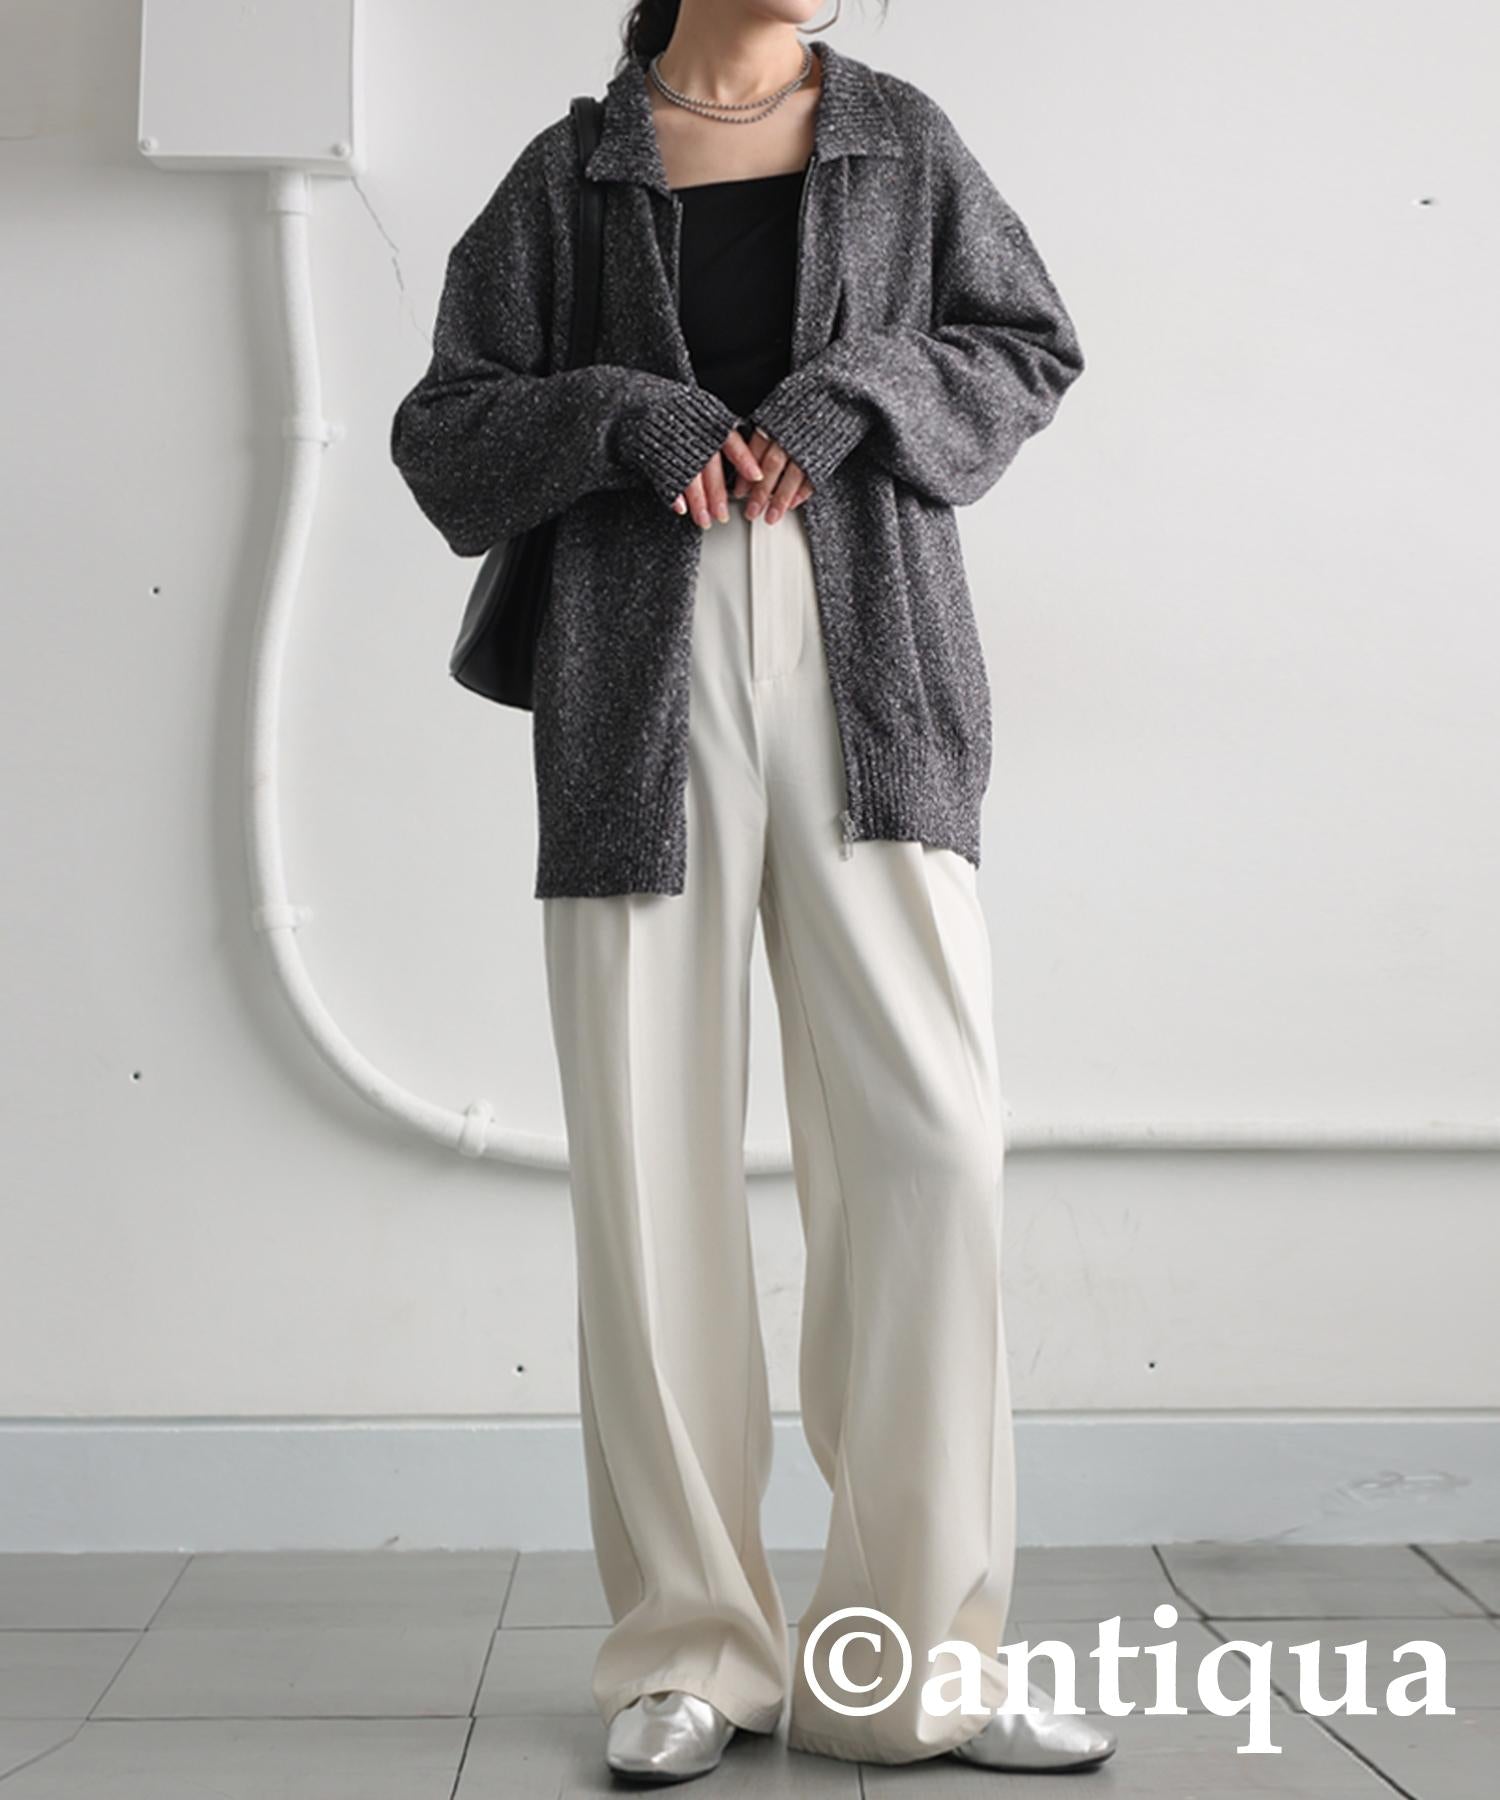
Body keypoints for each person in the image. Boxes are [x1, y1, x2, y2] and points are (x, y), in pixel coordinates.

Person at [391, 0, 1107, 1783]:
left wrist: (858, 392)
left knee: (933, 1147)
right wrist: (621, 412)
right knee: (648, 1166)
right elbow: (447, 431)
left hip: (875, 678)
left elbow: (1026, 344)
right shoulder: (572, 172)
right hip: (634, 688)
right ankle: (690, 1649)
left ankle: (914, 1666)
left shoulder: (901, 139)